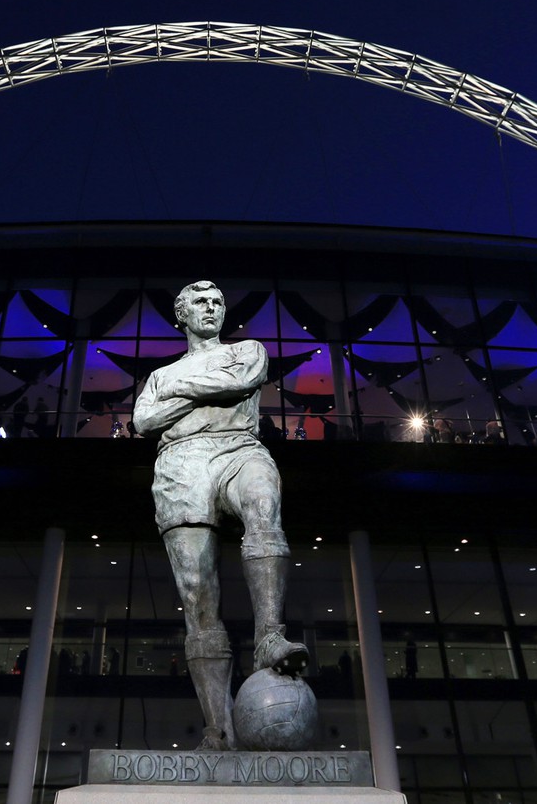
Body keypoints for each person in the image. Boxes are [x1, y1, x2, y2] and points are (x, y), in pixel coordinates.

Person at [133, 281, 309, 751]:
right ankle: (219, 729)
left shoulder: (246, 350)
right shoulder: (159, 375)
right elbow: (144, 422)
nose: (211, 308)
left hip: (238, 448)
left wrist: (181, 391)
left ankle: (270, 637)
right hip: (180, 464)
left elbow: (241, 381)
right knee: (197, 596)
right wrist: (203, 390)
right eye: (200, 303)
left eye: (217, 302)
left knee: (263, 502)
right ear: (182, 315)